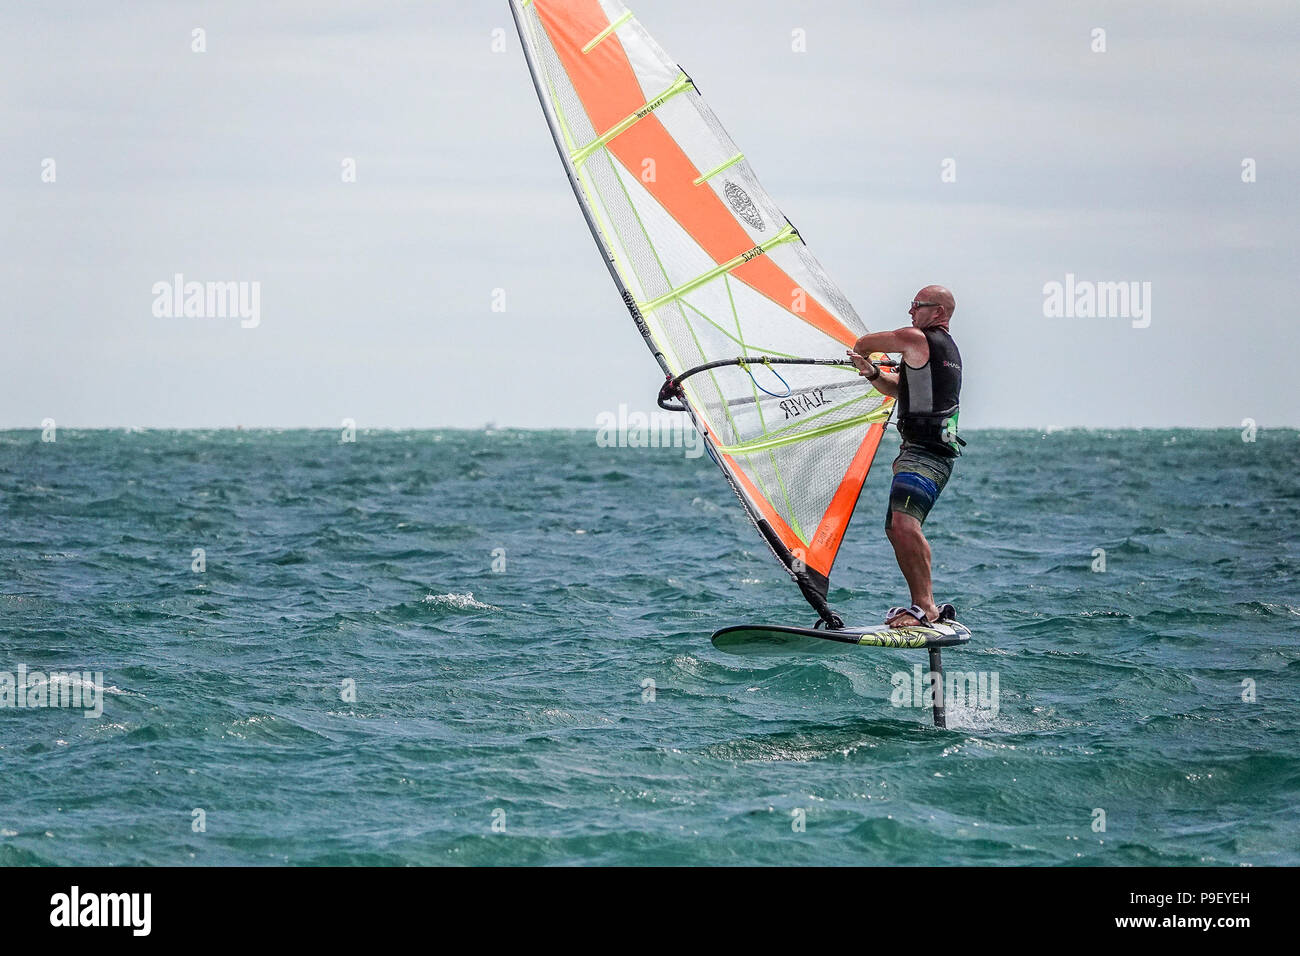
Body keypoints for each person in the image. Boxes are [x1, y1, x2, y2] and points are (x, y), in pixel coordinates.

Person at [847, 286, 964, 627]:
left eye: (917, 306)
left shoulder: (919, 339)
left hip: (928, 454)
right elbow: (898, 388)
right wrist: (871, 372)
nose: (911, 312)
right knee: (895, 527)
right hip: (923, 452)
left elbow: (866, 342)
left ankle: (925, 608)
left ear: (938, 312)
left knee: (904, 525)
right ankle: (922, 604)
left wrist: (862, 353)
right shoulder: (940, 350)